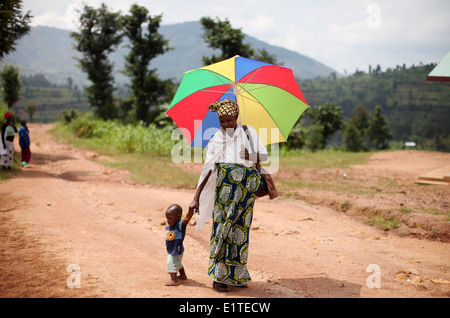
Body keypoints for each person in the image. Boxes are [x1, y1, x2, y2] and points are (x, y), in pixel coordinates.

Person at [189, 99, 268, 292]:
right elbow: (208, 169)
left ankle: (238, 276)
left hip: (247, 192)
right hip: (226, 193)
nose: (225, 124)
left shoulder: (249, 133)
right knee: (222, 229)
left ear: (237, 117)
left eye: (229, 120)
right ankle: (219, 277)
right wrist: (196, 196)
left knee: (241, 231)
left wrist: (248, 156)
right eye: (222, 121)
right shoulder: (217, 138)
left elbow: (263, 157)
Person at [165, 203, 194, 286]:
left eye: (170, 218)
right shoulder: (170, 226)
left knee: (171, 264)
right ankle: (183, 275)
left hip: (176, 250)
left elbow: (187, 219)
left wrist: (190, 211)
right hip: (174, 250)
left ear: (178, 217)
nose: (168, 220)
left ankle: (174, 280)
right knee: (178, 263)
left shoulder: (179, 225)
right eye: (167, 218)